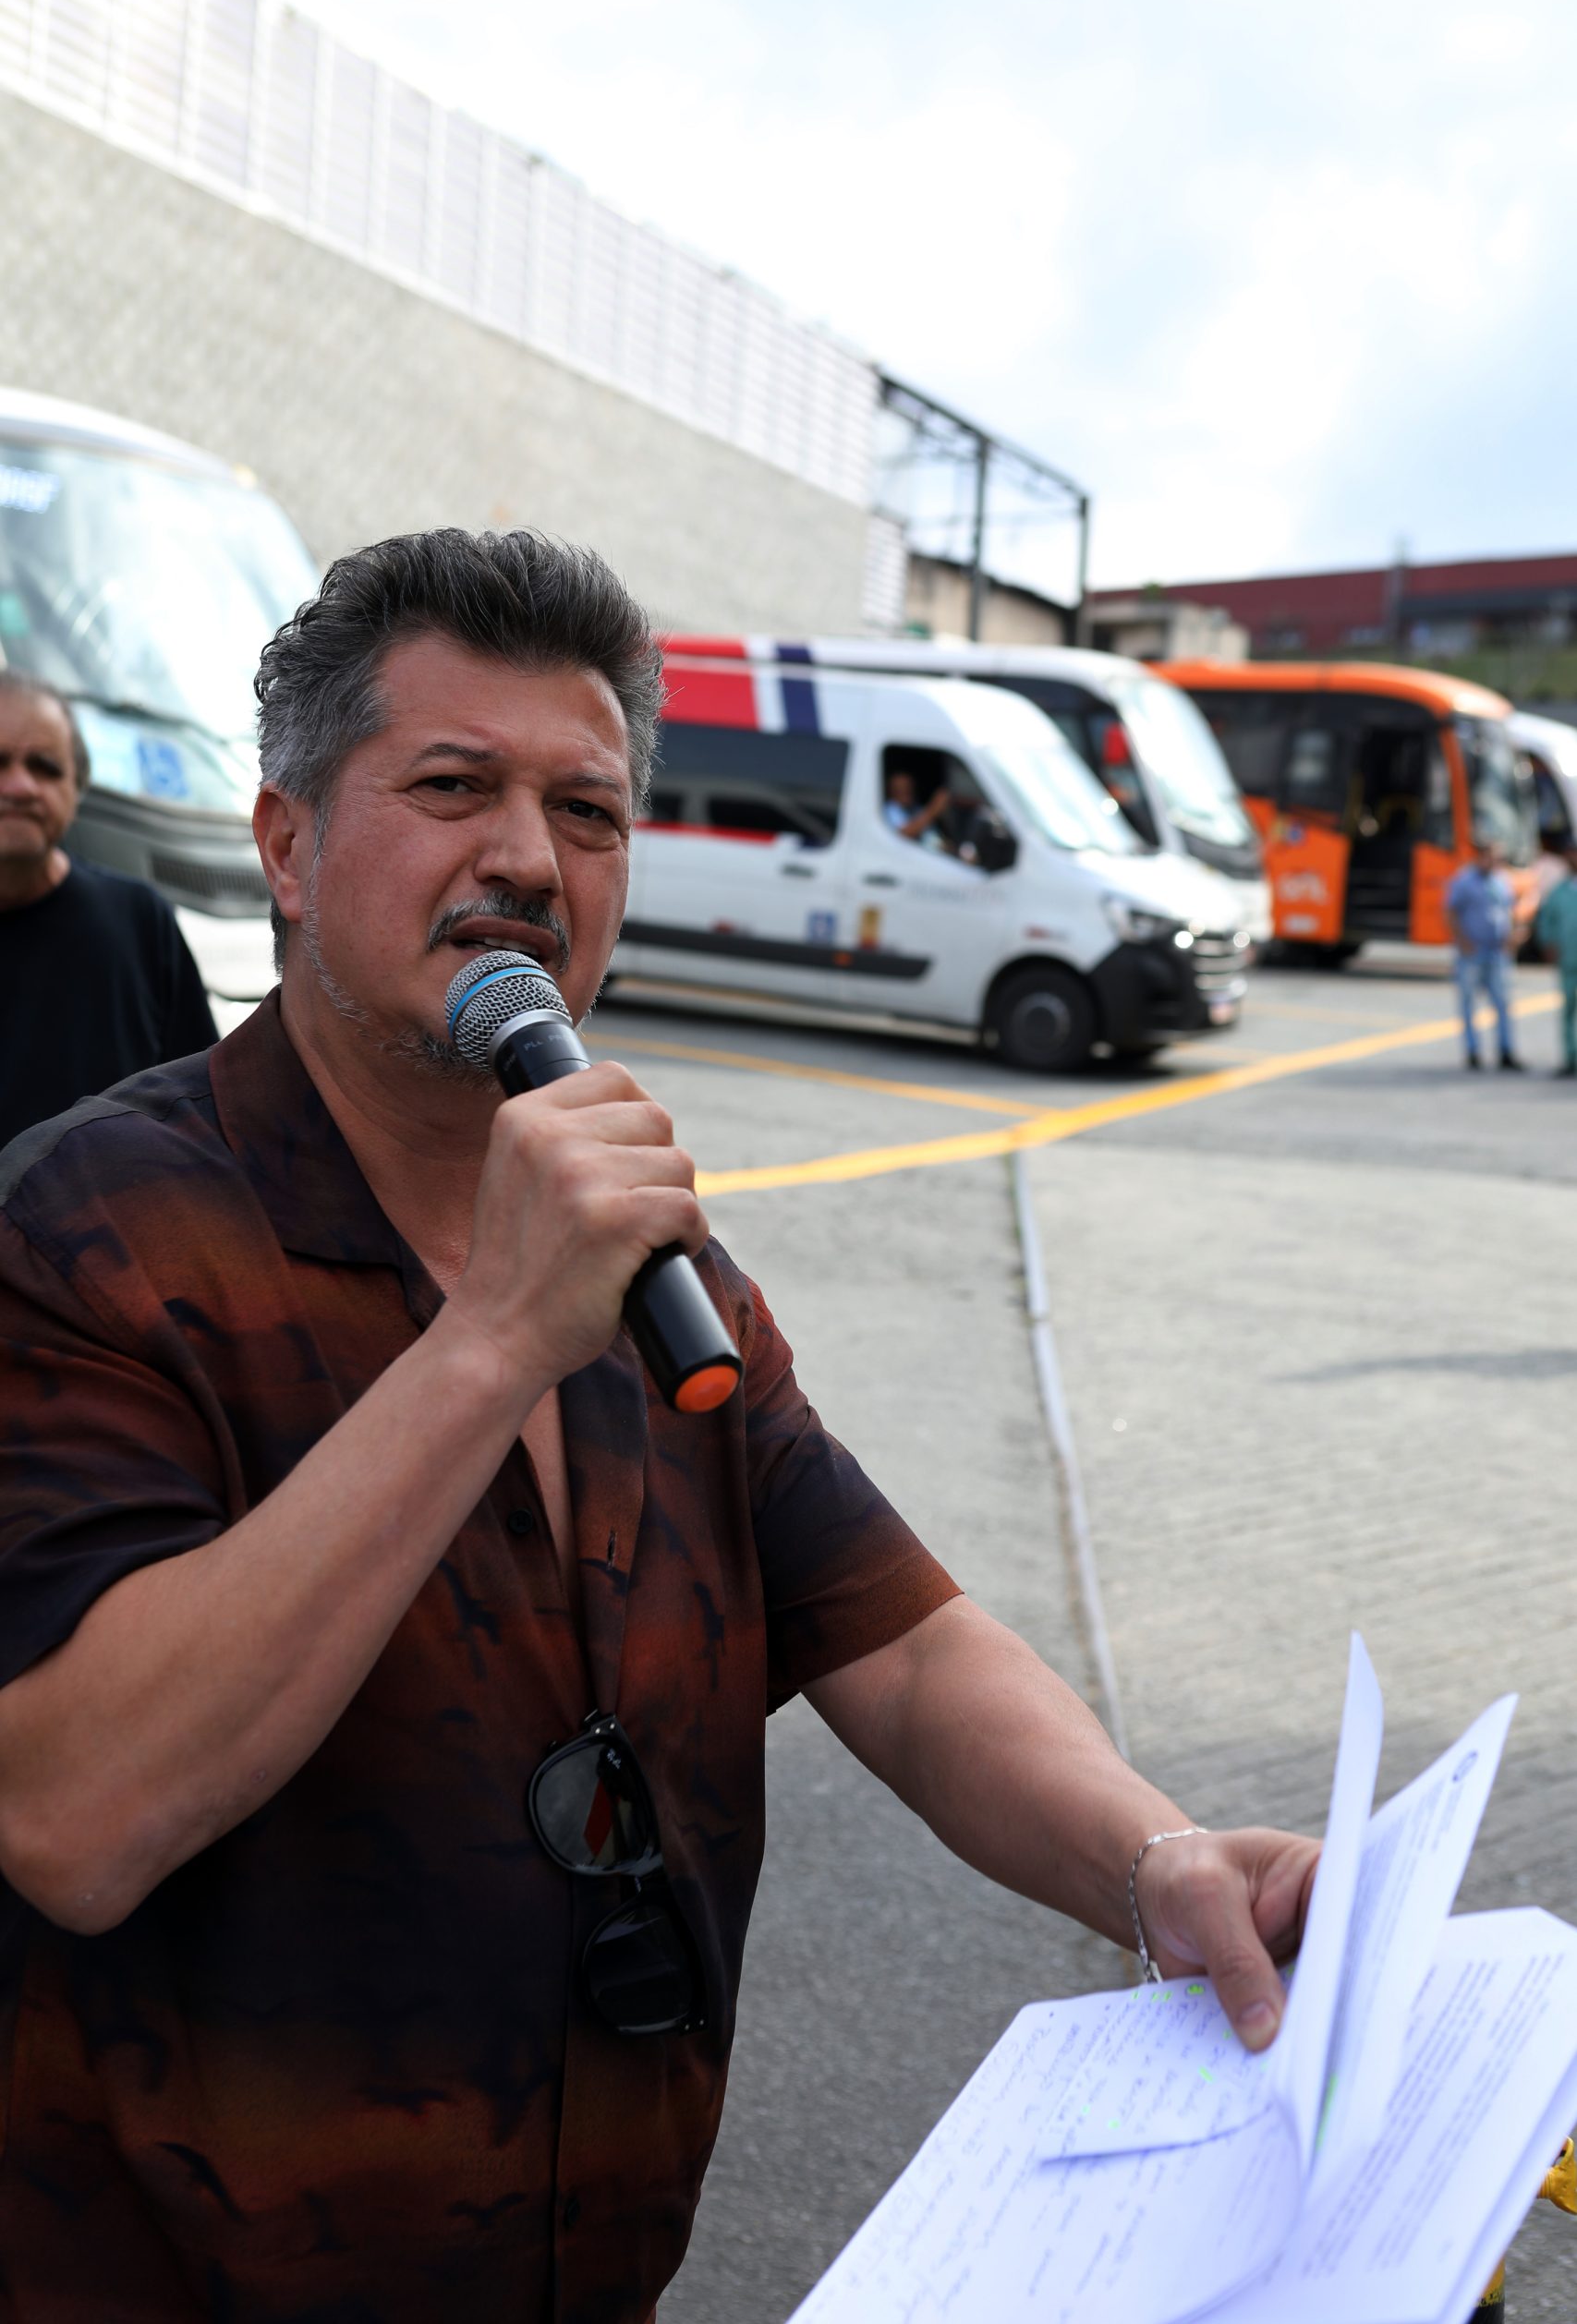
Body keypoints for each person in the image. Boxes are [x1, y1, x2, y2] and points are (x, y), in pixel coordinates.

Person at [0, 531, 1319, 2324]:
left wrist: (1153, 1858)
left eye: (590, 812)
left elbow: (901, 1642)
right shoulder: (88, 1231)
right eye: (452, 786)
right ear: (288, 843)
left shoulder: (649, 1256)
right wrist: (484, 1346)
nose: (529, 860)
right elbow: (74, 1804)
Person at [0, 669, 216, 1146]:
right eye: (0, 763)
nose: (21, 786)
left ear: (77, 787)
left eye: (45, 767)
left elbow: (205, 1107)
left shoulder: (139, 921)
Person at [1445, 838, 1522, 1071]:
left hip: (1498, 951)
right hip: (1473, 951)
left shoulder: (1501, 881)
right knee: (1469, 1003)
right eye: (1491, 857)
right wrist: (1462, 940)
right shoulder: (1464, 881)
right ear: (1480, 856)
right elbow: (1450, 912)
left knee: (1502, 1003)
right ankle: (1472, 1052)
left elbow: (1510, 911)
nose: (1495, 862)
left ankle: (1506, 1051)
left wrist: (1513, 936)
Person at [1535, 842, 1577, 1075]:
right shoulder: (1559, 891)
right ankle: (1571, 1058)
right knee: (1569, 1010)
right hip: (1569, 959)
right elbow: (1546, 920)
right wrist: (1548, 943)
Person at [883, 764, 952, 849]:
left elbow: (934, 840)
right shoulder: (889, 810)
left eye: (908, 787)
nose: (905, 792)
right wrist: (933, 810)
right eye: (900, 789)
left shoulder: (917, 809)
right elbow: (902, 836)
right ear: (891, 790)